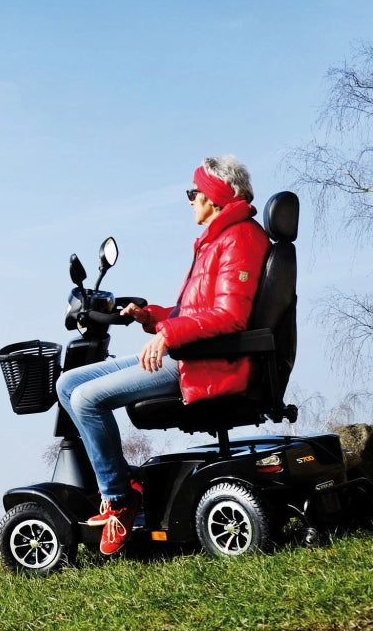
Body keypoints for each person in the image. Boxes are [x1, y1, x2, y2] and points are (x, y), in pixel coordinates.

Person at [55, 155, 270, 555]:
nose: (190, 200)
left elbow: (230, 317)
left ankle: (118, 502)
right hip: (192, 353)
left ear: (217, 197)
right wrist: (150, 316)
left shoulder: (239, 239)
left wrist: (168, 335)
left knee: (87, 399)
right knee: (68, 383)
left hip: (205, 363)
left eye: (195, 192)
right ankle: (124, 481)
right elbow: (195, 313)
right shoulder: (217, 239)